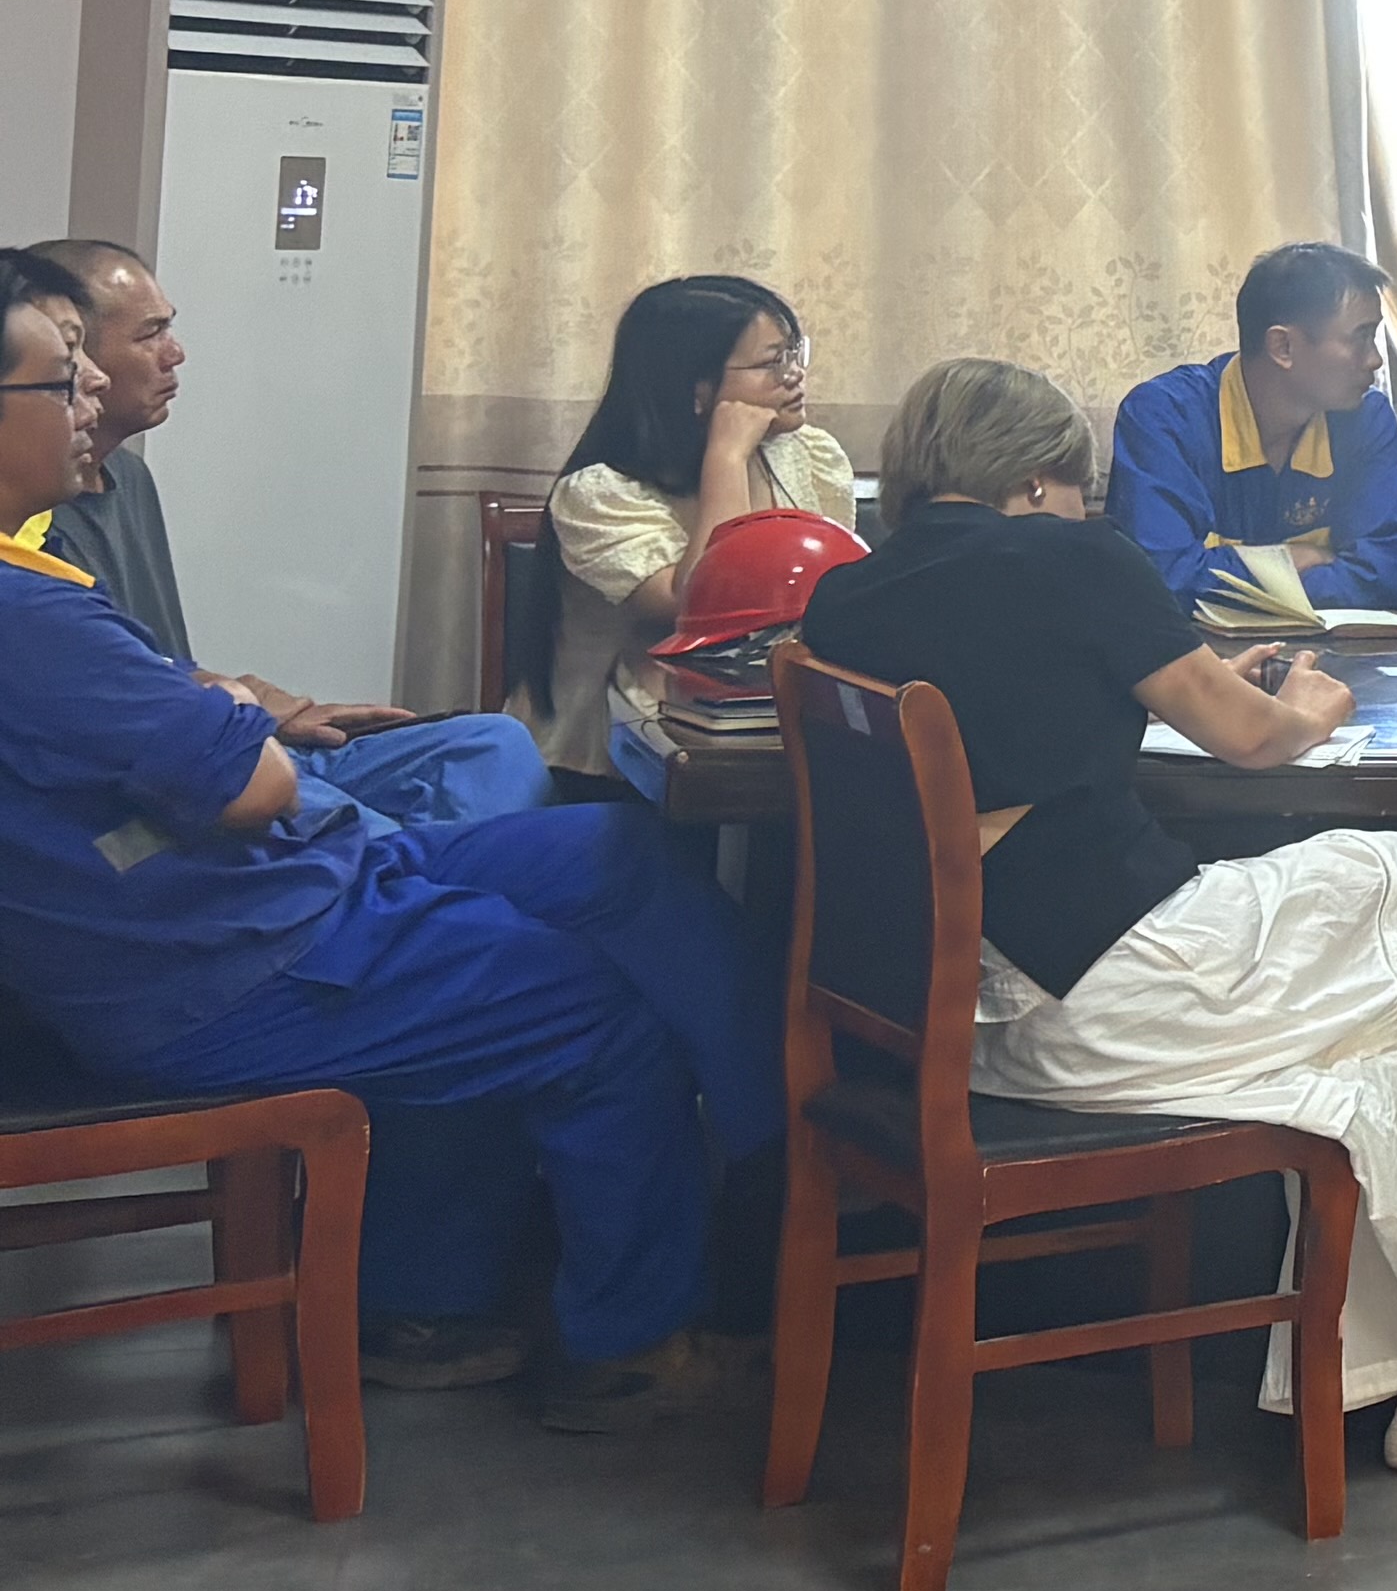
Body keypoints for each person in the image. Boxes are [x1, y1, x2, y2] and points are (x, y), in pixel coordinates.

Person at [0, 250, 773, 1422]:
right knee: (604, 1013)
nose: (94, 395)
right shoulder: (25, 613)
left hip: (273, 884)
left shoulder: (40, 569)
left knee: (613, 854)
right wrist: (229, 725)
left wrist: (222, 721)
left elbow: (197, 733)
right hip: (228, 962)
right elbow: (250, 781)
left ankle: (778, 1148)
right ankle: (630, 1339)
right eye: (65, 377)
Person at [801, 356, 1397, 1474]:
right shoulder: (1077, 559)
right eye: (1076, 488)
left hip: (963, 1023)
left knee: (1386, 1075)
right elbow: (1251, 738)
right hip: (1106, 993)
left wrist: (1182, 665)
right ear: (1034, 481)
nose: (1085, 507)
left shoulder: (844, 595)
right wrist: (1307, 706)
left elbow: (1021, 691)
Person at [21, 238, 555, 828]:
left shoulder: (128, 475)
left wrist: (261, 706)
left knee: (494, 743)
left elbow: (154, 664)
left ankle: (433, 862)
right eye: (150, 335)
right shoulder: (31, 516)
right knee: (388, 830)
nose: (176, 353)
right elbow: (113, 712)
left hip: (225, 729)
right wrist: (240, 710)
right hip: (178, 773)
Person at [541, 271, 864, 788]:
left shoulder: (810, 455)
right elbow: (702, 611)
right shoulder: (596, 494)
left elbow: (832, 594)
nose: (795, 375)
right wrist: (726, 457)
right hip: (620, 765)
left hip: (769, 733)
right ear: (696, 389)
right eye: (771, 363)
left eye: (794, 353)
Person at [1108, 243, 1397, 617]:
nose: (1375, 359)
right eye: (1360, 337)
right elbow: (1162, 583)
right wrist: (1292, 560)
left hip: (1338, 649)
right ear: (1282, 346)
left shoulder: (1367, 418)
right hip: (1200, 652)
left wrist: (1230, 571)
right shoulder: (1165, 417)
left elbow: (1388, 580)